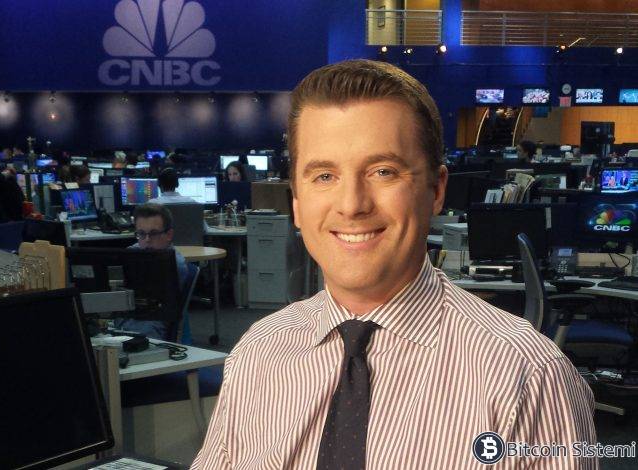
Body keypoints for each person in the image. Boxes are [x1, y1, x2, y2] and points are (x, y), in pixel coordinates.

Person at [192, 60, 597, 469]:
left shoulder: (528, 378)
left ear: (436, 190)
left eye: (383, 171)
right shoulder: (257, 354)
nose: (352, 205)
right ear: (296, 202)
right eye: (324, 176)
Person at [113, 203, 189, 340]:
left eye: (154, 234)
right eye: (141, 234)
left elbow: (154, 309)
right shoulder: (131, 253)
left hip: (150, 325)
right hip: (122, 319)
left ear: (169, 235)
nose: (147, 240)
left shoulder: (175, 265)